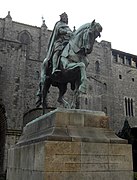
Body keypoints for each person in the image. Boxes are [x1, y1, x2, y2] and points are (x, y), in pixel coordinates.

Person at [36, 12, 72, 107]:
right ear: (61, 18)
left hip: (67, 44)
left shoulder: (68, 26)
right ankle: (55, 67)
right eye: (64, 17)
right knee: (57, 51)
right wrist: (65, 32)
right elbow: (59, 31)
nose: (65, 18)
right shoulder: (59, 24)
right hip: (59, 43)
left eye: (66, 17)